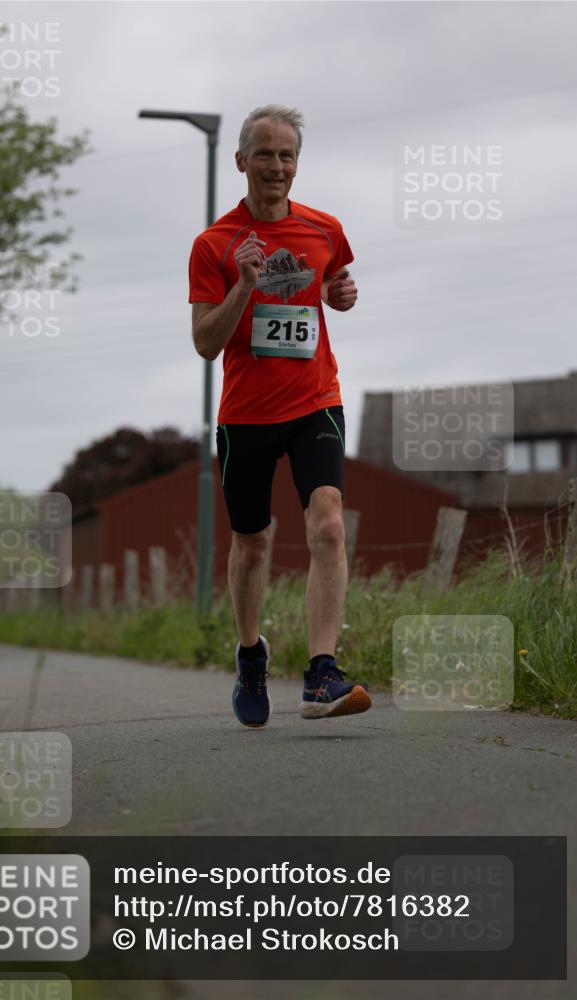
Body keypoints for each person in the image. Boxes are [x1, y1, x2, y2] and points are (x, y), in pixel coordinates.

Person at [189, 104, 371, 728]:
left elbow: (333, 285)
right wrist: (242, 285)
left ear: (298, 163)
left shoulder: (325, 229)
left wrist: (339, 296)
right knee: (252, 543)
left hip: (315, 398)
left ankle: (322, 673)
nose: (276, 165)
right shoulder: (213, 244)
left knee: (328, 525)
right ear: (241, 162)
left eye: (286, 155)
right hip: (245, 416)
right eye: (264, 154)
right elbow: (205, 344)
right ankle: (250, 654)